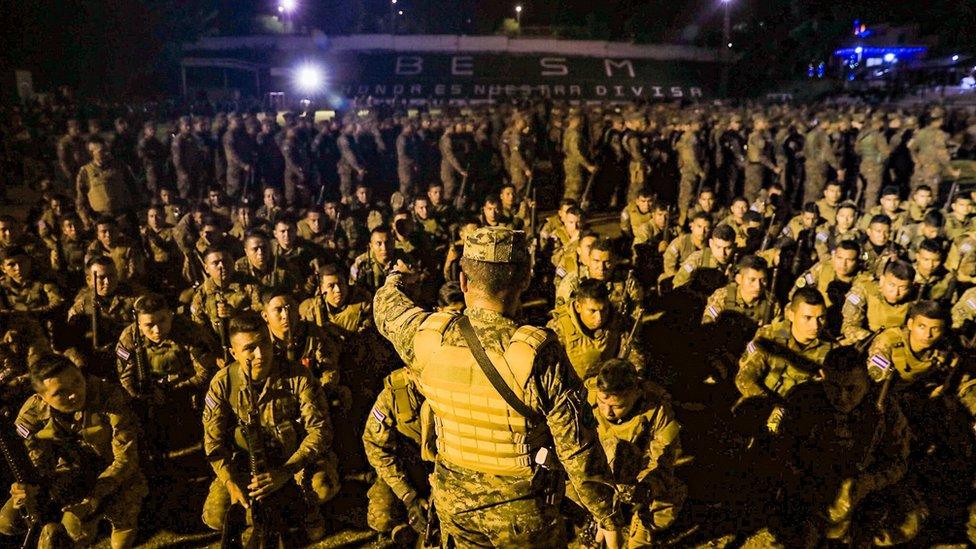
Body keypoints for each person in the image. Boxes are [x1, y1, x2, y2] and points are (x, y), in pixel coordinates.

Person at [373, 226, 623, 547]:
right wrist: (607, 516)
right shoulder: (538, 353)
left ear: (463, 281)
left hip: (455, 510)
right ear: (525, 281)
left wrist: (396, 277)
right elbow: (578, 449)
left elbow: (386, 306)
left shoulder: (427, 336)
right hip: (523, 516)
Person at [200, 312, 338, 541]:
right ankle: (262, 514)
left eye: (264, 342)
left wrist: (285, 472)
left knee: (321, 487)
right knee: (216, 515)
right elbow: (213, 442)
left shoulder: (298, 376)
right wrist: (230, 482)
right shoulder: (223, 383)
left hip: (293, 461)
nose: (261, 353)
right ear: (234, 353)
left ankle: (305, 510)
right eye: (249, 348)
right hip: (248, 465)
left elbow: (320, 431)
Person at [0, 355, 148, 549]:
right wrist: (26, 487)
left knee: (81, 535)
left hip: (112, 473)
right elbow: (30, 458)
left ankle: (118, 519)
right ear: (42, 397)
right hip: (68, 475)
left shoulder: (109, 397)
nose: (74, 394)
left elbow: (126, 459)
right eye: (61, 392)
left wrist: (95, 497)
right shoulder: (32, 412)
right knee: (7, 521)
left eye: (77, 381)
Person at [776, 346, 909, 546]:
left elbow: (899, 459)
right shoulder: (803, 399)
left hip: (864, 490)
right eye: (833, 387)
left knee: (905, 524)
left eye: (851, 388)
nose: (842, 397)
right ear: (823, 379)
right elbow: (783, 450)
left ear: (866, 380)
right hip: (813, 486)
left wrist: (869, 481)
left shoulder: (885, 409)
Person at [585, 359, 686, 546]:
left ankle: (641, 524)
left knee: (667, 501)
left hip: (638, 475)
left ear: (636, 393)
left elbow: (663, 461)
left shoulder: (657, 408)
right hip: (597, 475)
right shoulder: (586, 395)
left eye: (618, 406)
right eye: (602, 403)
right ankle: (596, 520)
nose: (608, 413)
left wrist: (643, 491)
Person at [362, 367, 431, 543]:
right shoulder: (393, 394)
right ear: (408, 370)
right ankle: (400, 524)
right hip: (410, 468)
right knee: (381, 515)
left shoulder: (452, 386)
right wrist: (409, 496)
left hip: (448, 468)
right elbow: (375, 446)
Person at [548, 279, 639, 380]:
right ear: (578, 307)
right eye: (593, 311)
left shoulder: (617, 320)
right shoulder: (558, 328)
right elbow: (550, 373)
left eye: (604, 310)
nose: (599, 317)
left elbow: (634, 353)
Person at [840, 260, 915, 345]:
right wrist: (876, 340)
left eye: (902, 287)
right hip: (865, 341)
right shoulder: (863, 289)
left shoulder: (915, 299)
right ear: (882, 280)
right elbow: (849, 326)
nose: (895, 292)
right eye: (891, 285)